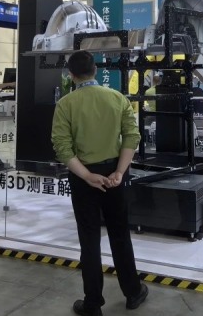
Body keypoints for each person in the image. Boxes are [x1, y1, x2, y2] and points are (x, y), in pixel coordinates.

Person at [51, 50, 148, 316]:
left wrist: (86, 175)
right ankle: (133, 292)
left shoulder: (65, 104)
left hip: (83, 176)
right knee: (120, 233)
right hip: (115, 172)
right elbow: (132, 136)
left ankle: (93, 303)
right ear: (95, 70)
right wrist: (119, 172)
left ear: (71, 75)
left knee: (89, 238)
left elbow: (62, 147)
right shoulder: (117, 98)